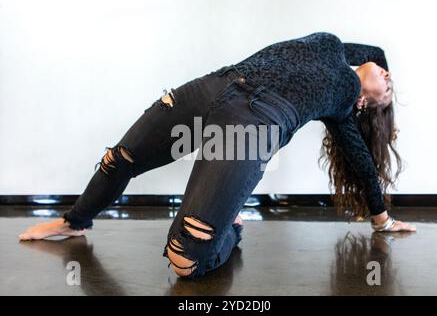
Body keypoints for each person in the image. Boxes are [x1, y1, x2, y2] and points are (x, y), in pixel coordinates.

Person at [18, 32, 416, 280]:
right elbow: (377, 52)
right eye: (387, 73)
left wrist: (382, 220)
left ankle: (230, 230)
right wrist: (382, 70)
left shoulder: (346, 104)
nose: (388, 76)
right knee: (120, 158)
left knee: (183, 260)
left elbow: (362, 164)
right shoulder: (333, 45)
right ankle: (75, 221)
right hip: (216, 86)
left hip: (256, 121)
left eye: (389, 87)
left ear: (366, 105)